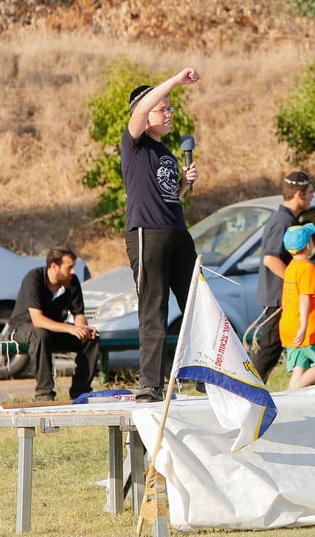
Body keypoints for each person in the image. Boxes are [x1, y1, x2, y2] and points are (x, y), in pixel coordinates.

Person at [122, 68, 201, 402]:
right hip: (148, 233)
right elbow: (141, 109)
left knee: (195, 302)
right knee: (154, 309)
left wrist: (185, 184)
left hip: (177, 232)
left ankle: (206, 374)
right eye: (163, 108)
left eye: (170, 108)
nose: (168, 113)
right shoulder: (135, 143)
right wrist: (175, 81)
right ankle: (150, 386)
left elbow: (169, 196)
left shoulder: (166, 152)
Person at [8, 247, 100, 402]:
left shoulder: (72, 282)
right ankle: (45, 394)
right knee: (40, 333)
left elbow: (79, 316)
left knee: (91, 338)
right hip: (24, 328)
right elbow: (37, 320)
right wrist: (71, 328)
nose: (73, 272)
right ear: (54, 266)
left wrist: (83, 329)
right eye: (69, 267)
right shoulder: (34, 279)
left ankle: (81, 393)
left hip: (54, 329)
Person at [249, 171, 314, 382]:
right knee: (270, 349)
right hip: (279, 298)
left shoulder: (287, 219)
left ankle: (314, 386)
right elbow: (271, 259)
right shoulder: (283, 221)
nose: (313, 196)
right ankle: (248, 389)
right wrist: (294, 283)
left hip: (282, 297)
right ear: (299, 194)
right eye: (310, 192)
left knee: (298, 343)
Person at [278, 222, 315, 389]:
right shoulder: (307, 268)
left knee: (299, 369)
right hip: (305, 329)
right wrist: (304, 327)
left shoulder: (291, 267)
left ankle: (291, 398)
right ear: (308, 245)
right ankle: (290, 393)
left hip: (288, 326)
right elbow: (304, 298)